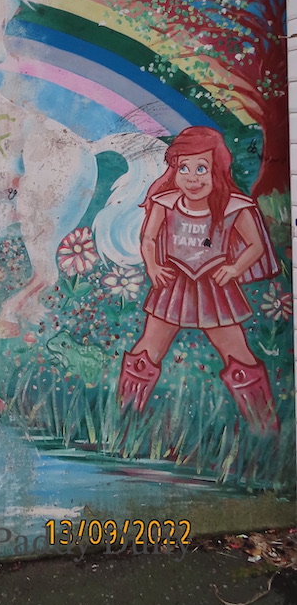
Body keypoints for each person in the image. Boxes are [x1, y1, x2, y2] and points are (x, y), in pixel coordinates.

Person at [117, 126, 280, 434]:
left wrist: (234, 269)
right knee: (146, 352)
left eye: (201, 168)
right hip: (172, 287)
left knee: (239, 357)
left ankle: (266, 431)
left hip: (216, 289)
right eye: (184, 168)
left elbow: (256, 245)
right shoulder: (165, 203)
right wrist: (152, 267)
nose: (192, 178)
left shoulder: (233, 207)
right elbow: (148, 239)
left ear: (217, 169)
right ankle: (122, 423)